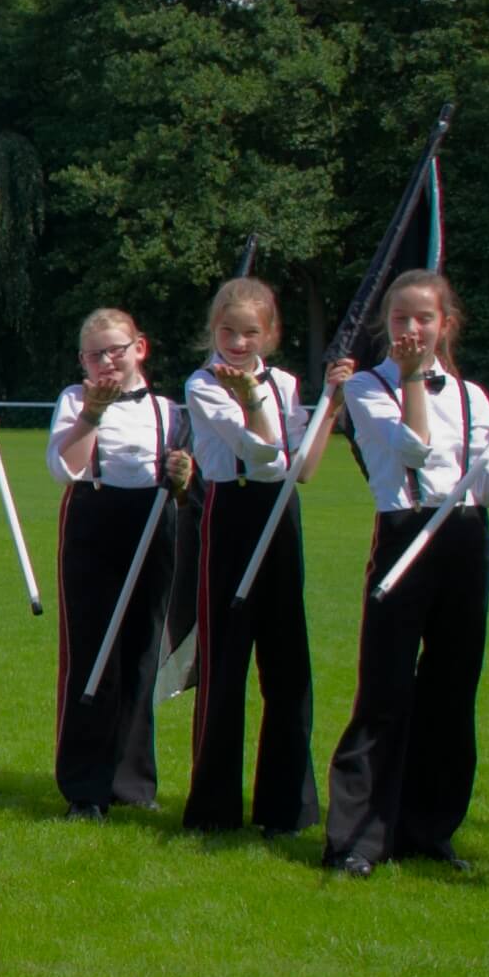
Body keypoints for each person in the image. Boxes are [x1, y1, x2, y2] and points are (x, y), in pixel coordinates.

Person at [322, 270, 489, 876]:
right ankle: (358, 839)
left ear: (446, 323)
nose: (412, 329)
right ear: (387, 326)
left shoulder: (474, 397)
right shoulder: (369, 390)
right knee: (385, 691)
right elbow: (415, 450)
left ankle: (429, 829)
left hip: (467, 541)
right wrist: (414, 378)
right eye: (401, 319)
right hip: (405, 534)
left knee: (452, 693)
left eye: (424, 318)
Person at [180, 277, 321, 833]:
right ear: (213, 330)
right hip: (229, 512)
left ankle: (286, 806)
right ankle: (214, 807)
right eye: (228, 331)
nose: (238, 343)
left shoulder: (285, 381)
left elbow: (297, 463)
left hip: (281, 514)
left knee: (287, 660)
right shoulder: (204, 382)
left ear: (272, 333)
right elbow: (261, 452)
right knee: (225, 661)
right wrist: (255, 402)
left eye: (250, 332)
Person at [46, 307, 195, 819]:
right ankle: (85, 787)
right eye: (95, 354)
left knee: (141, 652)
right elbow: (64, 466)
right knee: (92, 653)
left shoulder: (170, 410)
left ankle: (133, 783)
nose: (107, 361)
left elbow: (183, 482)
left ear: (140, 348)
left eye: (116, 349)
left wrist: (181, 475)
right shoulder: (73, 398)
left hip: (153, 521)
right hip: (94, 518)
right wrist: (92, 412)